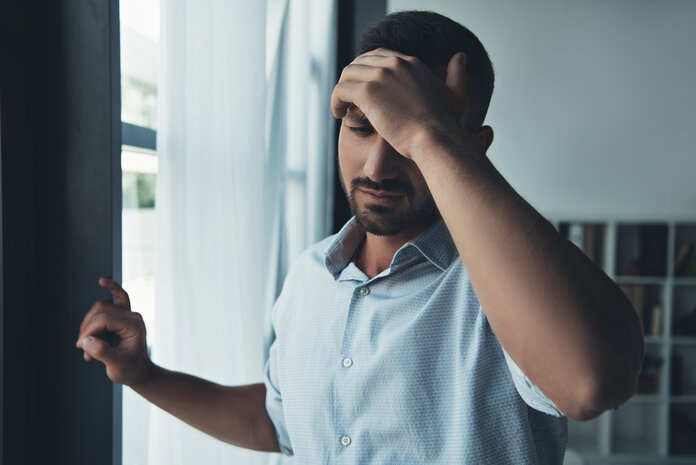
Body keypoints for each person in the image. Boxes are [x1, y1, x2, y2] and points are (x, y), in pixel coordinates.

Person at [76, 10, 644, 464]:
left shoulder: (511, 283)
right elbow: (275, 423)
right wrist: (145, 376)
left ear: (473, 145)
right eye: (361, 126)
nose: (377, 166)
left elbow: (586, 382)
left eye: (406, 137)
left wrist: (431, 134)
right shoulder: (309, 275)